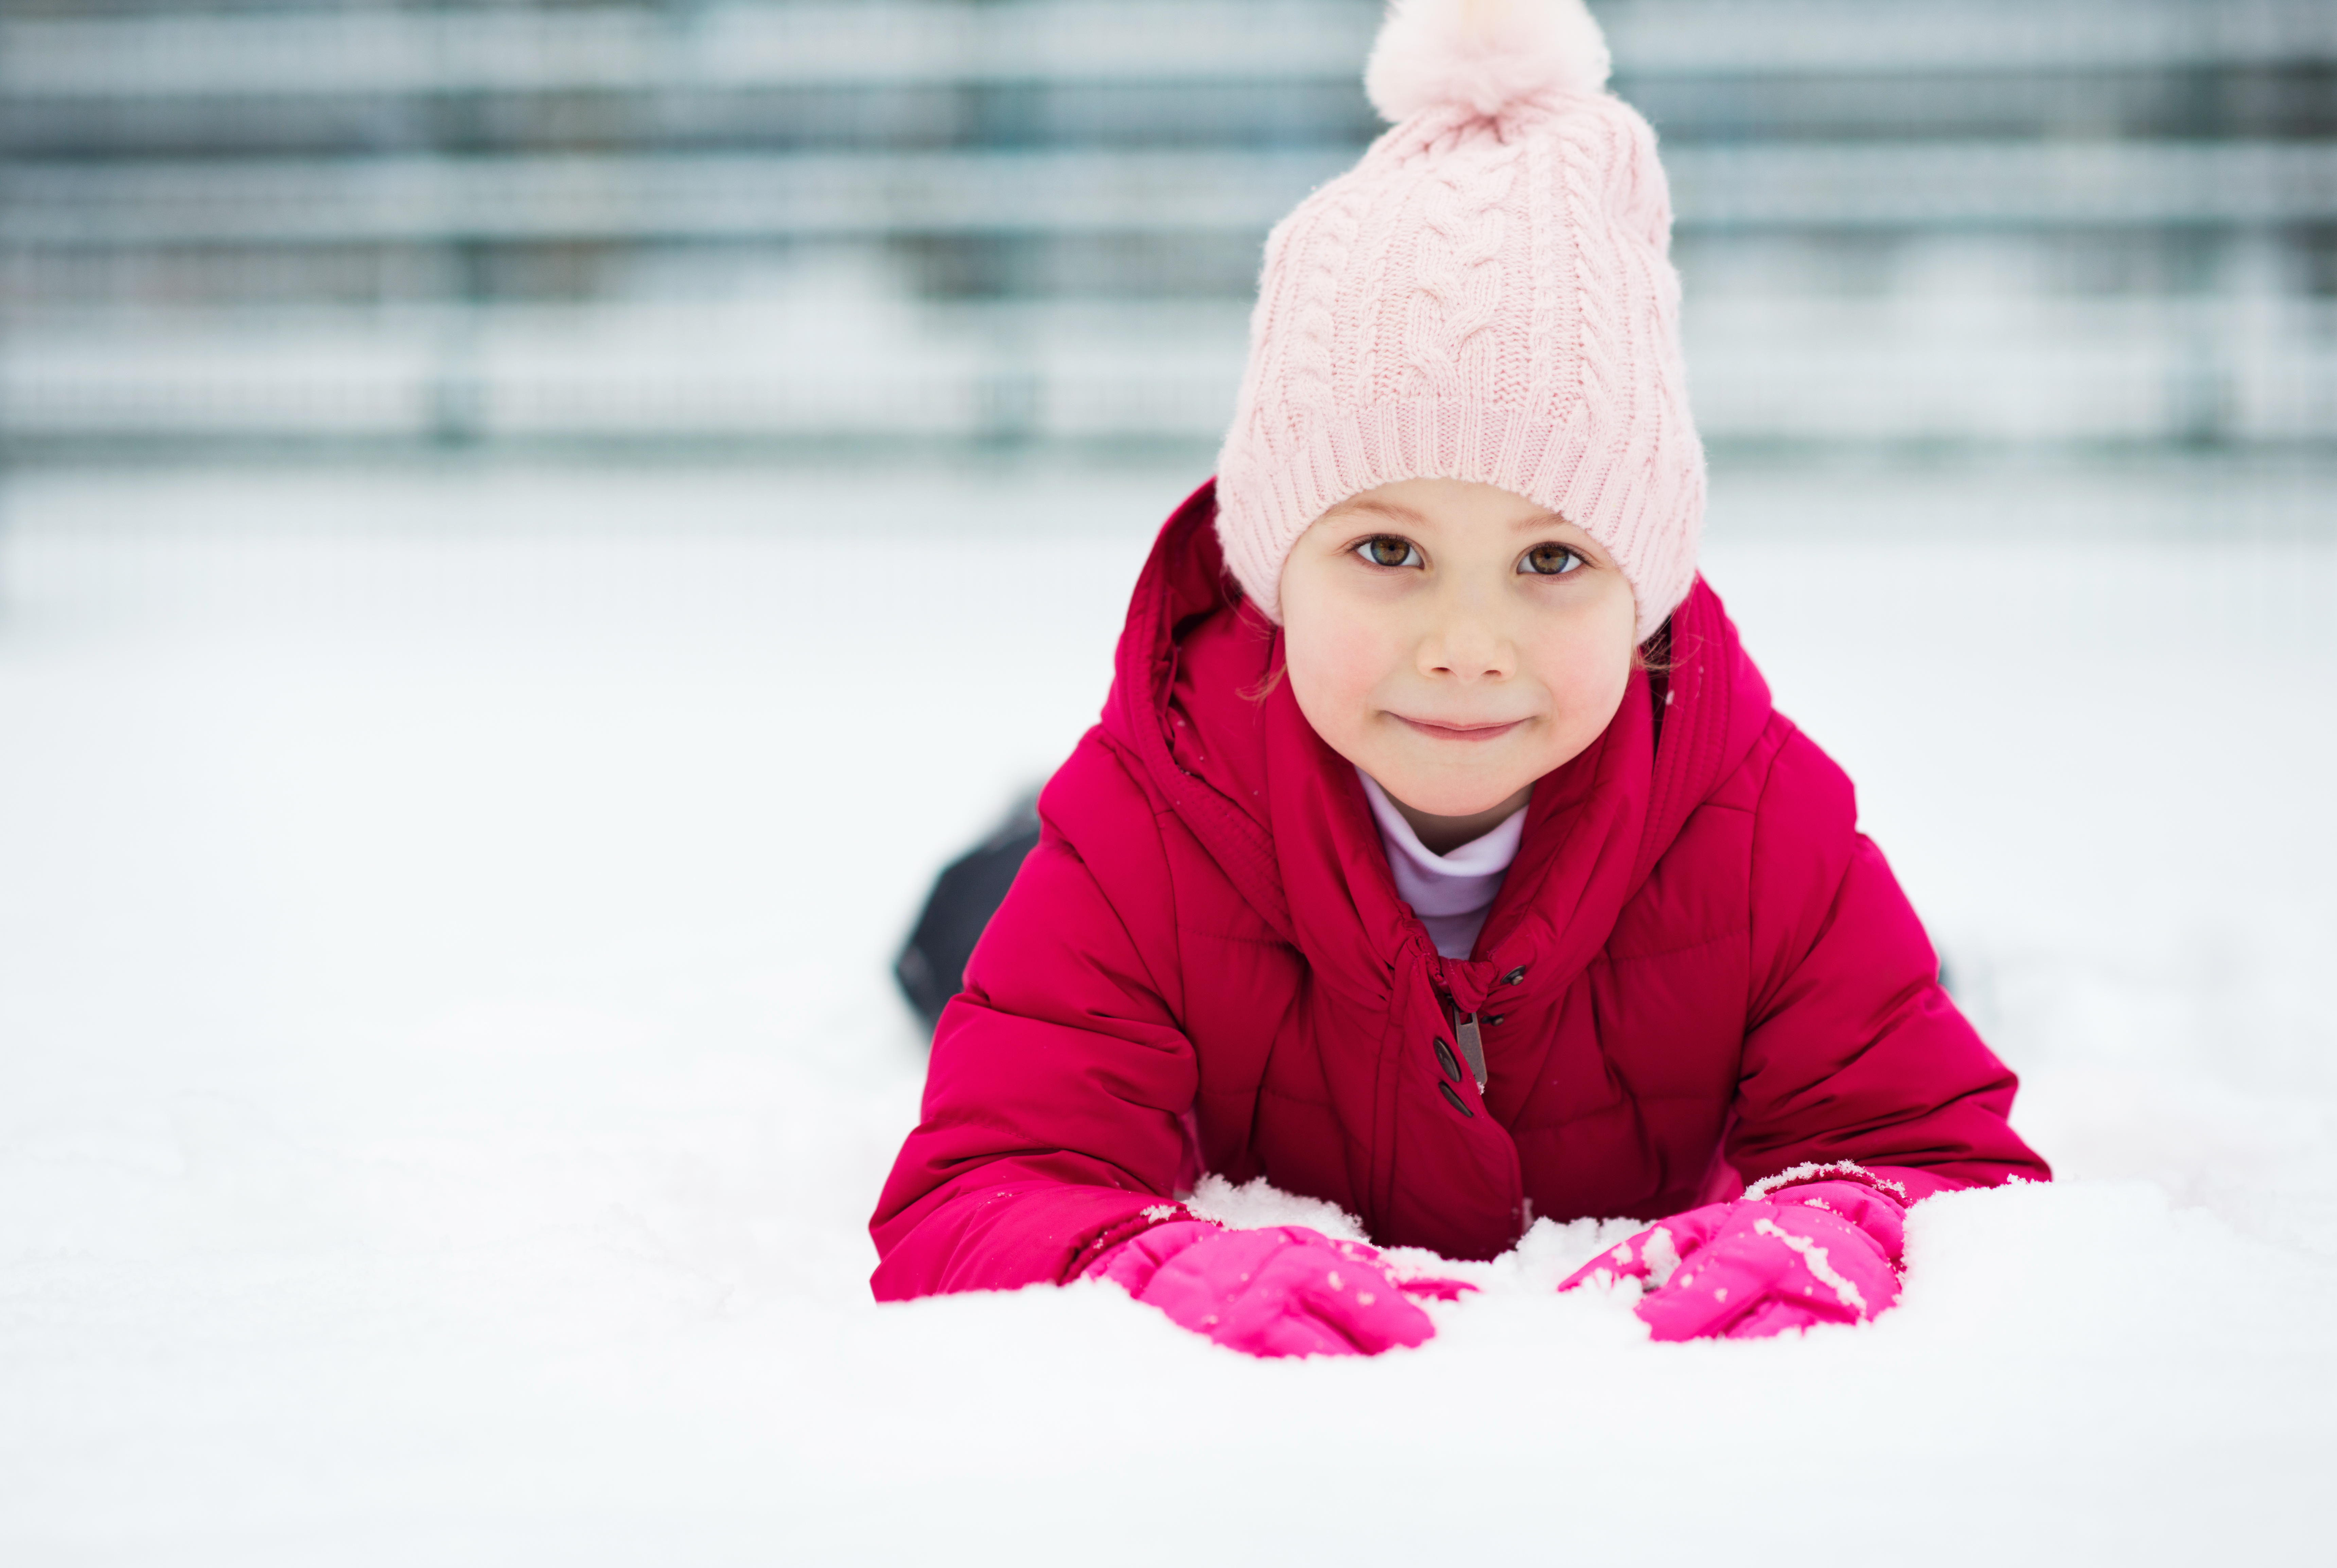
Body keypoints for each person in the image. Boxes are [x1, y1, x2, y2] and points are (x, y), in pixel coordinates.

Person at [869, 0, 2049, 1355]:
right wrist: (1139, 1264)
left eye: (1550, 559)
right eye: (1387, 548)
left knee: (1911, 977)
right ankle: (1005, 840)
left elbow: (1943, 1161)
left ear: (1641, 589)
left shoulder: (1762, 823)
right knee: (976, 927)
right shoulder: (1145, 818)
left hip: (1663, 882)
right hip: (1189, 828)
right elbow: (983, 1184)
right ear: (1270, 567)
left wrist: (1845, 1214)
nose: (1467, 641)